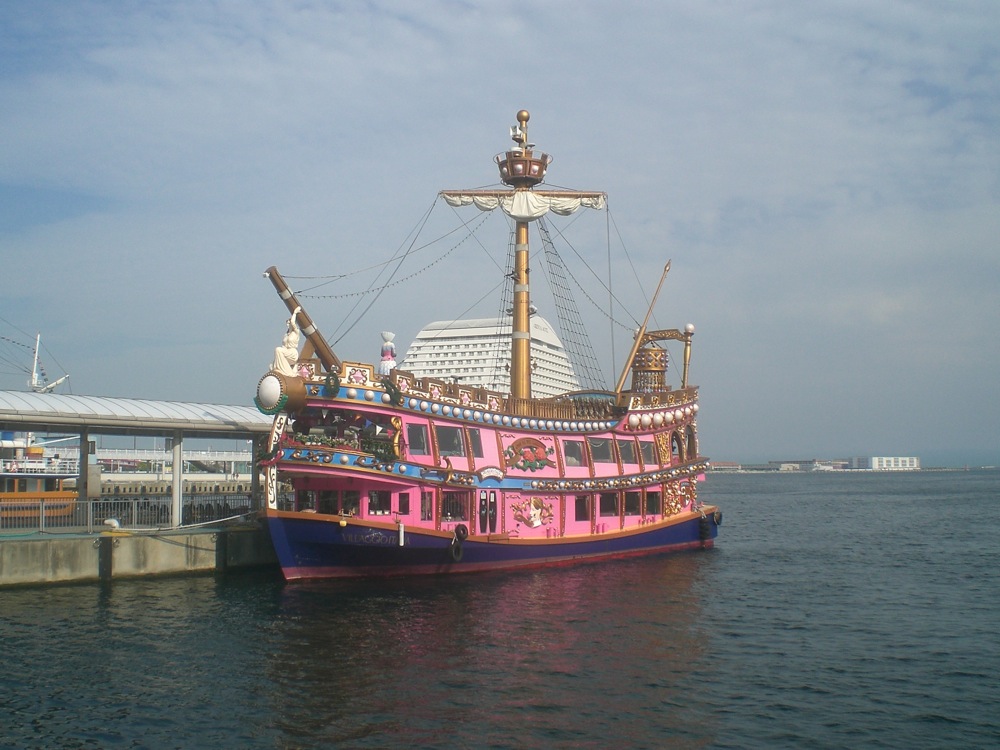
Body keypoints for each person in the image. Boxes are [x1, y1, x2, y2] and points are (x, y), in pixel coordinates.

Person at [271, 306, 302, 375]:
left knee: (278, 350)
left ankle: (286, 372)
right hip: (286, 351)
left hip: (292, 353)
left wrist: (295, 313)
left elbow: (293, 322)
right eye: (287, 323)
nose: (288, 325)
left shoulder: (296, 332)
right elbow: (283, 346)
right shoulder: (286, 335)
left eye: (289, 323)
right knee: (278, 350)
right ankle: (279, 369)